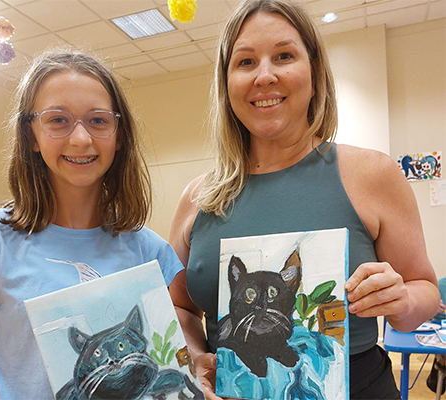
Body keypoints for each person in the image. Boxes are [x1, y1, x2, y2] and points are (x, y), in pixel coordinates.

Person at [168, 0, 440, 399]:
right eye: (245, 62)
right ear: (226, 84)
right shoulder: (199, 197)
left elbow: (426, 294)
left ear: (314, 72)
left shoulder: (373, 175)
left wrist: (400, 299)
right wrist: (193, 353)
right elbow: (180, 307)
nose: (265, 75)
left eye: (284, 56)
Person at [0, 49, 184, 399]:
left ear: (119, 136)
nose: (81, 139)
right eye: (58, 120)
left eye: (98, 120)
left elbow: (181, 346)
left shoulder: (151, 251)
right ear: (32, 135)